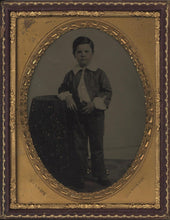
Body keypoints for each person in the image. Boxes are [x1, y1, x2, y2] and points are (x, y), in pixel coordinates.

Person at [58, 36, 112, 189]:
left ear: (92, 53)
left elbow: (107, 91)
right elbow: (62, 88)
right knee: (79, 146)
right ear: (74, 54)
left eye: (86, 51)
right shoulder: (71, 74)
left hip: (95, 114)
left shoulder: (99, 73)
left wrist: (94, 104)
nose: (83, 54)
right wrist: (68, 97)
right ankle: (79, 176)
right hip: (77, 114)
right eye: (79, 52)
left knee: (96, 145)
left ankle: (100, 174)